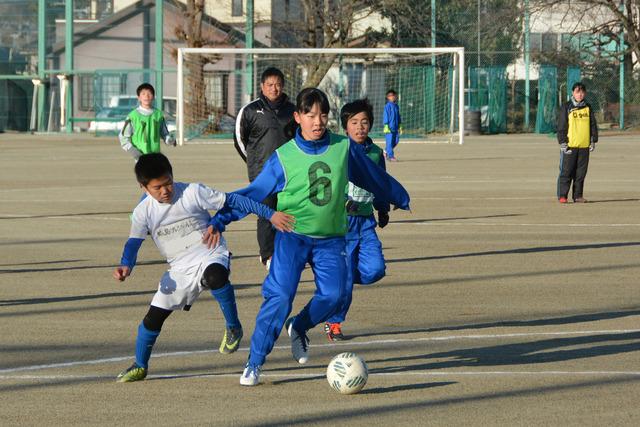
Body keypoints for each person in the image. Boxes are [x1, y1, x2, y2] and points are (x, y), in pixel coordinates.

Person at [210, 88, 410, 386]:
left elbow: (371, 176)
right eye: (311, 115)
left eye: (323, 115)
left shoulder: (344, 148)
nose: (318, 121)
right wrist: (221, 218)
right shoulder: (284, 157)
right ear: (298, 117)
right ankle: (254, 363)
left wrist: (397, 196)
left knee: (335, 296)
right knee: (279, 297)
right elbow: (255, 193)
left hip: (331, 240)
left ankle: (299, 326)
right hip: (293, 237)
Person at [112, 153, 294, 383]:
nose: (165, 190)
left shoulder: (192, 192)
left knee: (215, 277)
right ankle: (140, 365)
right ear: (143, 187)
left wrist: (270, 214)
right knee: (152, 319)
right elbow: (133, 242)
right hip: (179, 267)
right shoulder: (142, 212)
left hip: (210, 251)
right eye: (157, 187)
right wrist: (126, 265)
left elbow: (236, 201)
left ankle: (233, 327)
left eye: (168, 183)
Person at [324, 99, 391, 341]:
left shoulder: (374, 153)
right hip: (342, 225)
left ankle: (342, 279)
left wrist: (383, 209)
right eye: (354, 122)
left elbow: (381, 182)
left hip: (366, 222)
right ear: (345, 126)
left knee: (375, 270)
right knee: (346, 277)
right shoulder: (338, 149)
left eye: (364, 122)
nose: (360, 127)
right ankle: (334, 323)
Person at [234, 67, 297, 269]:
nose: (274, 88)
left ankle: (288, 252)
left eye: (278, 84)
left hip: (290, 172)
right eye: (269, 84)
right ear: (262, 86)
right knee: (266, 213)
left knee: (289, 211)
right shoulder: (250, 110)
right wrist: (254, 163)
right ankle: (267, 255)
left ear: (283, 86)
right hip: (262, 174)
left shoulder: (293, 110)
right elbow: (239, 141)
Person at [556, 81, 598, 203]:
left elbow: (592, 125)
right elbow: (562, 126)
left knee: (580, 173)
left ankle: (578, 196)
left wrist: (592, 140)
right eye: (577, 92)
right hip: (570, 146)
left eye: (582, 92)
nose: (580, 95)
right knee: (566, 172)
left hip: (584, 146)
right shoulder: (566, 107)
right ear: (573, 93)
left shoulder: (588, 107)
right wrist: (563, 142)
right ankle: (562, 195)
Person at [119, 83, 175, 161]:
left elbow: (164, 134)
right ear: (139, 98)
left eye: (149, 93)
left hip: (156, 156)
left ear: (153, 97)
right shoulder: (133, 116)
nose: (147, 96)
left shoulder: (158, 115)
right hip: (141, 158)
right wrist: (135, 153)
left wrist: (170, 140)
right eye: (143, 94)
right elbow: (123, 138)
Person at [383, 89, 402, 161]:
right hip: (389, 128)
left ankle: (385, 151)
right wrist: (386, 125)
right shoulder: (387, 106)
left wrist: (400, 125)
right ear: (387, 97)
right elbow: (386, 115)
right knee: (389, 142)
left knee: (396, 141)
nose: (392, 97)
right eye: (390, 96)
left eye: (393, 95)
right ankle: (391, 156)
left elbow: (398, 116)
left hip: (395, 127)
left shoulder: (396, 106)